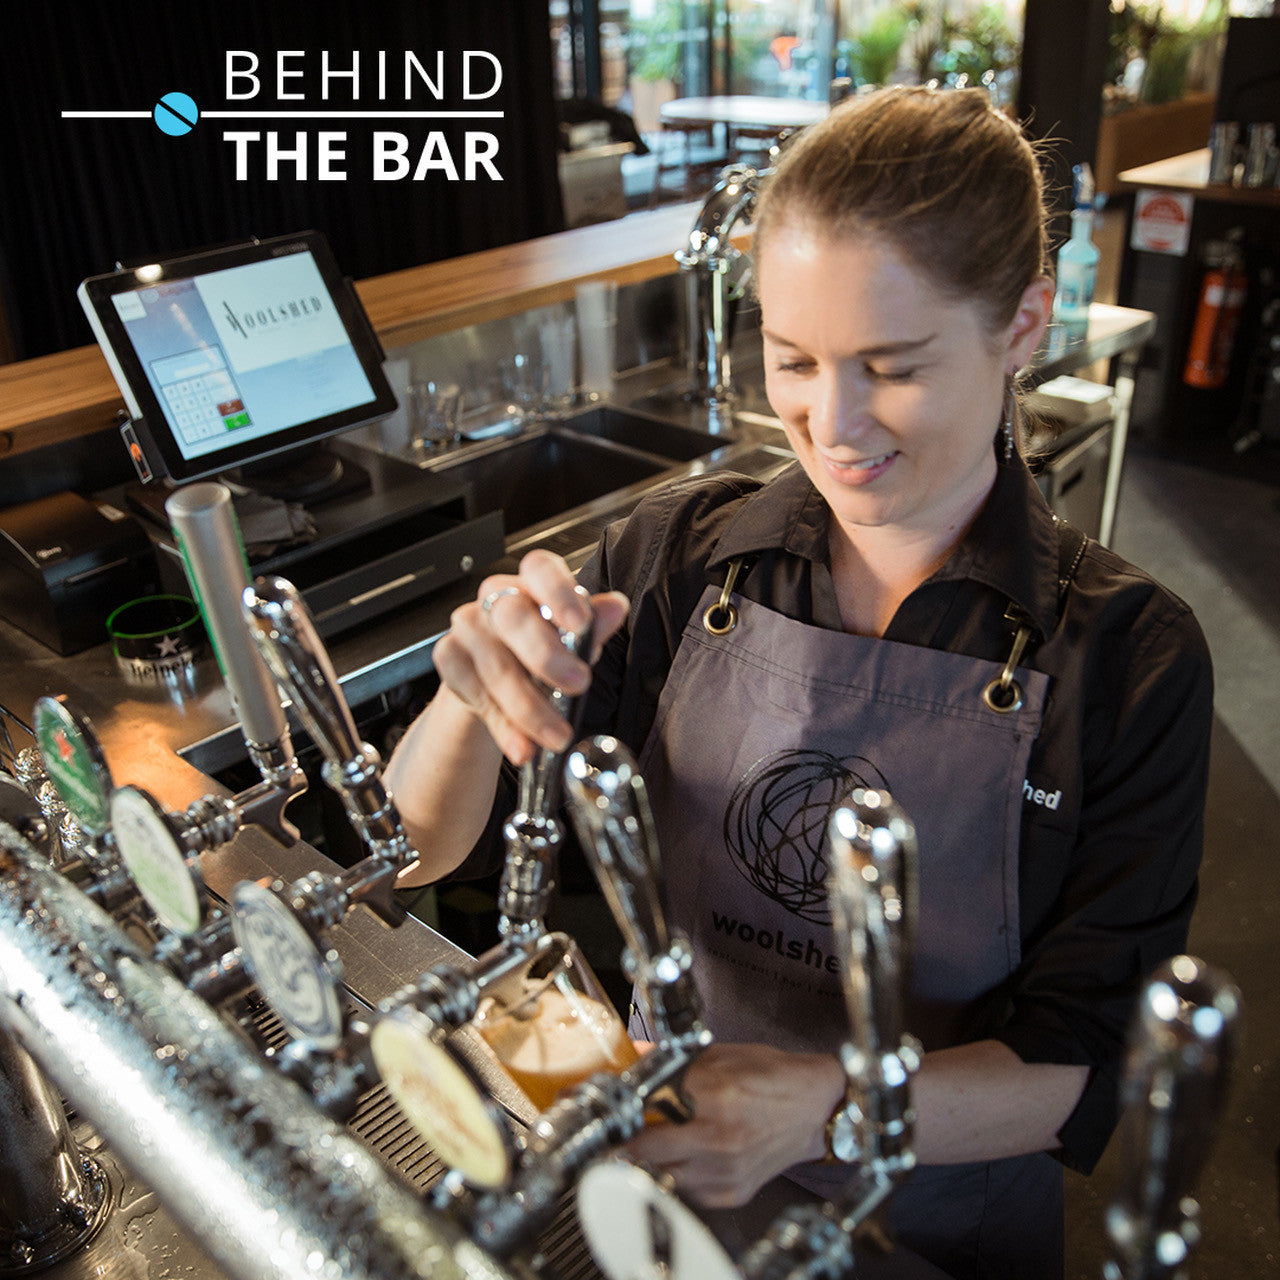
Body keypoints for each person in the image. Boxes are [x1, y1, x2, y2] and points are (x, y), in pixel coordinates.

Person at [385, 86, 1212, 1279]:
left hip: (928, 1219)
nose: (832, 423)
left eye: (892, 366)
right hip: (662, 1181)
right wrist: (470, 693)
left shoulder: (1128, 652)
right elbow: (417, 847)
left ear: (1024, 322)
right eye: (792, 358)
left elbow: (1082, 1060)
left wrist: (828, 1107)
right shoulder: (677, 555)